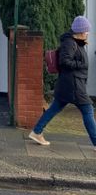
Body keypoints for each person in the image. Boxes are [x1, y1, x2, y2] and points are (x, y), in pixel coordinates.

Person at [29, 16, 96, 146]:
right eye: (86, 30)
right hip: (73, 86)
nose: (88, 33)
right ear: (80, 31)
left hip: (69, 84)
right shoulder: (70, 43)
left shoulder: (75, 42)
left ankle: (37, 132)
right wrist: (81, 64)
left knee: (54, 108)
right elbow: (64, 62)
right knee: (88, 110)